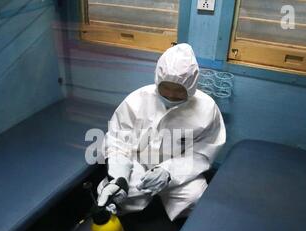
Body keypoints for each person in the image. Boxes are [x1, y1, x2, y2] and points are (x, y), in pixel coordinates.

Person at [97, 43, 226, 221]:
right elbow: (118, 142)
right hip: (139, 164)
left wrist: (168, 172)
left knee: (196, 199)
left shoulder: (206, 109)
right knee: (113, 193)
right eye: (166, 87)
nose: (171, 95)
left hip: (179, 169)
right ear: (158, 79)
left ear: (191, 86)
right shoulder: (137, 100)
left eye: (179, 90)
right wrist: (119, 177)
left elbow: (202, 154)